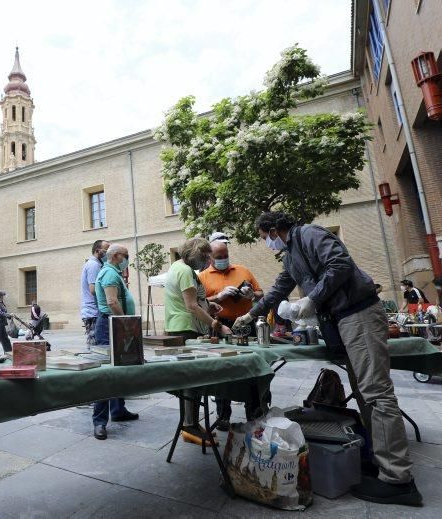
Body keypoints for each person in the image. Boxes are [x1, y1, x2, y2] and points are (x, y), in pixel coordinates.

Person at [233, 212, 422, 506]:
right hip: (343, 320)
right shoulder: (290, 256)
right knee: (362, 392)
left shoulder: (309, 234)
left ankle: (399, 480)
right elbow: (279, 290)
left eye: (263, 237)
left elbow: (340, 264)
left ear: (273, 230)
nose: (265, 243)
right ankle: (379, 460)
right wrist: (250, 314)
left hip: (358, 313)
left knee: (375, 393)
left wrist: (313, 298)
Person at [164, 238, 230, 444]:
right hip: (186, 329)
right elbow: (191, 305)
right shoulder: (185, 271)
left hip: (181, 327)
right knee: (193, 379)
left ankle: (191, 423)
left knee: (192, 380)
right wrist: (217, 325)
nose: (207, 262)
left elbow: (193, 301)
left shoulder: (178, 266)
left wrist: (208, 304)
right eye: (204, 257)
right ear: (194, 255)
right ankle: (190, 427)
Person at [198, 239, 264, 430]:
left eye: (226, 255)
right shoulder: (202, 276)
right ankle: (223, 416)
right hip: (221, 325)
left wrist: (251, 294)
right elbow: (199, 302)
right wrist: (218, 296)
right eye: (219, 257)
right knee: (222, 370)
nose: (224, 259)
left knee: (252, 367)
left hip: (246, 323)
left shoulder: (242, 270)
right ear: (210, 257)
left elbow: (260, 293)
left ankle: (254, 413)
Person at [92, 244, 140, 440]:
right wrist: (125, 323)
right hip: (110, 325)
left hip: (111, 323)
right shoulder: (110, 274)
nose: (127, 259)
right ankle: (99, 422)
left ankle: (118, 410)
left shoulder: (111, 272)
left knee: (119, 369)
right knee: (106, 374)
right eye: (126, 256)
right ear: (117, 256)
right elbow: (112, 302)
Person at [81, 240, 110, 350]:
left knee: (97, 345)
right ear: (98, 251)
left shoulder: (96, 264)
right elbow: (93, 289)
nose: (109, 252)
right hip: (93, 312)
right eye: (106, 250)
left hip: (94, 312)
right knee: (97, 347)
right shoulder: (93, 265)